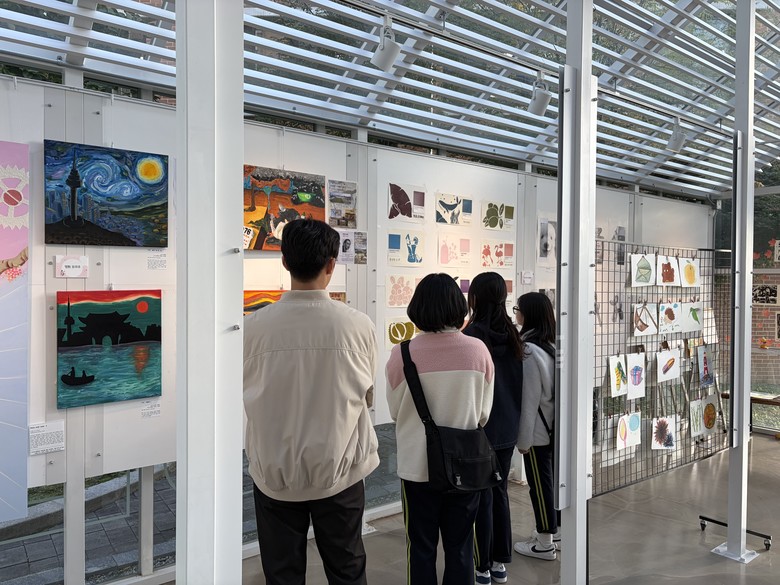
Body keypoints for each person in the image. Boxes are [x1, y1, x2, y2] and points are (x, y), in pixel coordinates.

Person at [243, 219, 379, 585]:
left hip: (274, 474)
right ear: (331, 264)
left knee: (282, 574)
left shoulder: (252, 328)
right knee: (347, 570)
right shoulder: (358, 325)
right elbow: (367, 396)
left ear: (284, 262)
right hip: (340, 472)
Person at [385, 273, 494, 585]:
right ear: (459, 306)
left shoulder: (402, 353)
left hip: (417, 467)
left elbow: (395, 412)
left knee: (420, 547)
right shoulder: (477, 351)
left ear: (417, 307)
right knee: (460, 548)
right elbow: (483, 414)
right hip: (465, 466)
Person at [463, 272, 523, 584]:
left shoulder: (472, 337)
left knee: (480, 497)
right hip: (508, 428)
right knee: (499, 493)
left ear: (474, 298)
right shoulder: (513, 335)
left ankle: (482, 566)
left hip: (481, 428)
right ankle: (499, 562)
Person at [512, 292, 560, 561]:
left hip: (538, 432)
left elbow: (529, 401)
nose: (516, 313)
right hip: (553, 427)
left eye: (517, 308)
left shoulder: (529, 350)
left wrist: (523, 441)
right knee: (550, 483)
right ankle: (554, 533)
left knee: (540, 487)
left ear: (527, 314)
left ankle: (544, 543)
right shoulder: (551, 345)